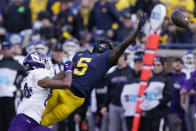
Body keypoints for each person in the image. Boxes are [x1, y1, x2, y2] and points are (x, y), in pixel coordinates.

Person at [40, 11, 147, 127]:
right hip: (73, 97)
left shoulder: (81, 54)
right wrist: (137, 31)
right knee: (42, 122)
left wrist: (49, 84)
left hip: (62, 89)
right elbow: (122, 46)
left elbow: (63, 72)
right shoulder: (106, 58)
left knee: (37, 118)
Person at [8, 51, 73, 131]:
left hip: (29, 122)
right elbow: (66, 84)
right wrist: (68, 70)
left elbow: (51, 82)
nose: (46, 63)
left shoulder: (29, 78)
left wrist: (64, 71)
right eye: (44, 61)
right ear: (38, 63)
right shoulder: (38, 73)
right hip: (26, 122)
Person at [140, 57, 173, 131]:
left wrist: (157, 102)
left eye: (158, 65)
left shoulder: (167, 78)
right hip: (149, 114)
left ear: (163, 66)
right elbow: (148, 93)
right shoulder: (151, 78)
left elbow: (169, 96)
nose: (155, 67)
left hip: (160, 114)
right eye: (154, 65)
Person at [100, 53, 130, 131]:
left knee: (126, 128)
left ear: (124, 57)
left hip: (127, 106)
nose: (118, 59)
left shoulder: (131, 72)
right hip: (114, 106)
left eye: (120, 56)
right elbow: (108, 91)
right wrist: (104, 106)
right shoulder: (112, 74)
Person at [0, 42, 26, 131]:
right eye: (4, 49)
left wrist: (17, 86)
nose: (6, 51)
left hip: (10, 96)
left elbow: (26, 75)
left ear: (11, 50)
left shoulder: (16, 64)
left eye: (7, 48)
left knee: (10, 121)